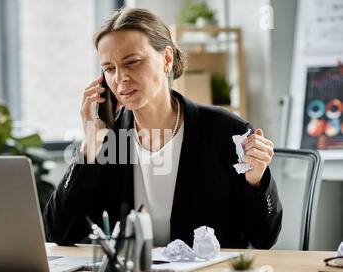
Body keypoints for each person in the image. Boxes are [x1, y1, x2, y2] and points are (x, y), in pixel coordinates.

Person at [43, 8, 282, 249]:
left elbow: (264, 238)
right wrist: (89, 145)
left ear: (166, 59)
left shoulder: (227, 133)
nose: (121, 77)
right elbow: (59, 232)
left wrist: (255, 182)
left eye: (132, 62)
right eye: (109, 68)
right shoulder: (110, 141)